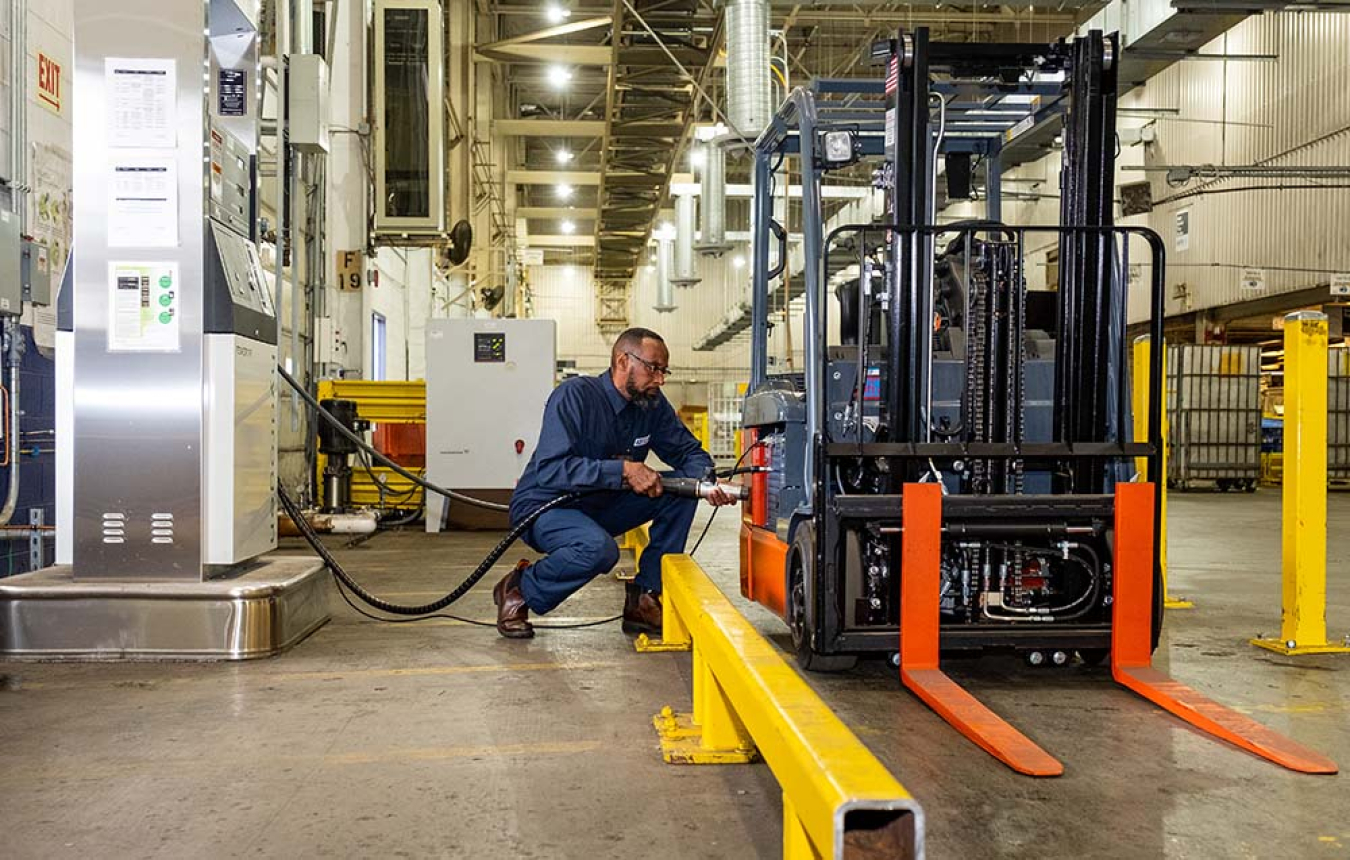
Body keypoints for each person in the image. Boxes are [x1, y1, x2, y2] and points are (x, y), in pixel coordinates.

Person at [493, 327, 737, 639]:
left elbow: (688, 452)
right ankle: (519, 589)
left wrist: (704, 482)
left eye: (664, 371)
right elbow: (551, 469)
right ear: (623, 361)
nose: (661, 380)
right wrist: (623, 470)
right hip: (547, 506)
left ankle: (645, 598)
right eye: (653, 369)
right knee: (598, 550)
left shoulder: (652, 405)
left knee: (681, 489)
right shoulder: (576, 396)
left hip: (604, 504)